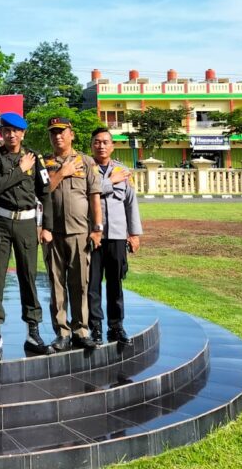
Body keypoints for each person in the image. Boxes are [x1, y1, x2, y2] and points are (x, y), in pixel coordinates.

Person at [0, 112, 52, 360]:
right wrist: (21, 170)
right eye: (7, 130)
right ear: (1, 133)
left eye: (16, 131)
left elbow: (45, 192)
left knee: (28, 277)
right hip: (1, 222)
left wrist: (46, 226)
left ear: (23, 133)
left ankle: (33, 332)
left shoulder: (35, 157)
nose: (11, 135)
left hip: (26, 223)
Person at [40, 116, 103, 351]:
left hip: (80, 233)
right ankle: (62, 332)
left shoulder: (86, 162)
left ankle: (81, 330)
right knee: (56, 284)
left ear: (71, 134)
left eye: (62, 131)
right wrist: (62, 172)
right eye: (53, 132)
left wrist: (97, 228)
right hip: (52, 234)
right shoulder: (43, 163)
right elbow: (42, 192)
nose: (57, 136)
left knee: (80, 284)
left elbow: (94, 197)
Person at [86, 127, 142, 345]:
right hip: (93, 235)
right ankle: (95, 327)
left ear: (112, 146)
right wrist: (111, 181)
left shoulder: (123, 171)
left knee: (115, 283)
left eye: (105, 142)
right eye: (97, 142)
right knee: (92, 284)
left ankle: (116, 326)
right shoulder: (85, 169)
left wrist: (134, 234)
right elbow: (86, 192)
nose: (101, 146)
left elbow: (131, 203)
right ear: (91, 145)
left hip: (117, 235)